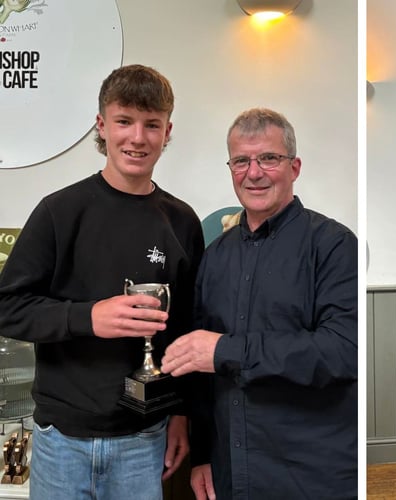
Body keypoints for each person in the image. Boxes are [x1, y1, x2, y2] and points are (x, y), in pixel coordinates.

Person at [0, 64, 205, 499]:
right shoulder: (59, 211)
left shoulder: (182, 221)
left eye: (152, 124)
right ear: (102, 125)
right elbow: (8, 307)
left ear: (168, 131)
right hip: (61, 440)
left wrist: (182, 414)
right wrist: (87, 317)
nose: (138, 137)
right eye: (124, 121)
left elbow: (187, 329)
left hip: (145, 439)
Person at [160, 108, 357, 499]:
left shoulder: (333, 245)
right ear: (230, 167)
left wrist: (226, 350)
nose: (254, 172)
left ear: (294, 166)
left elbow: (341, 350)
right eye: (241, 161)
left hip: (314, 474)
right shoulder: (214, 256)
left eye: (269, 158)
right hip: (232, 474)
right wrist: (203, 455)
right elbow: (202, 374)